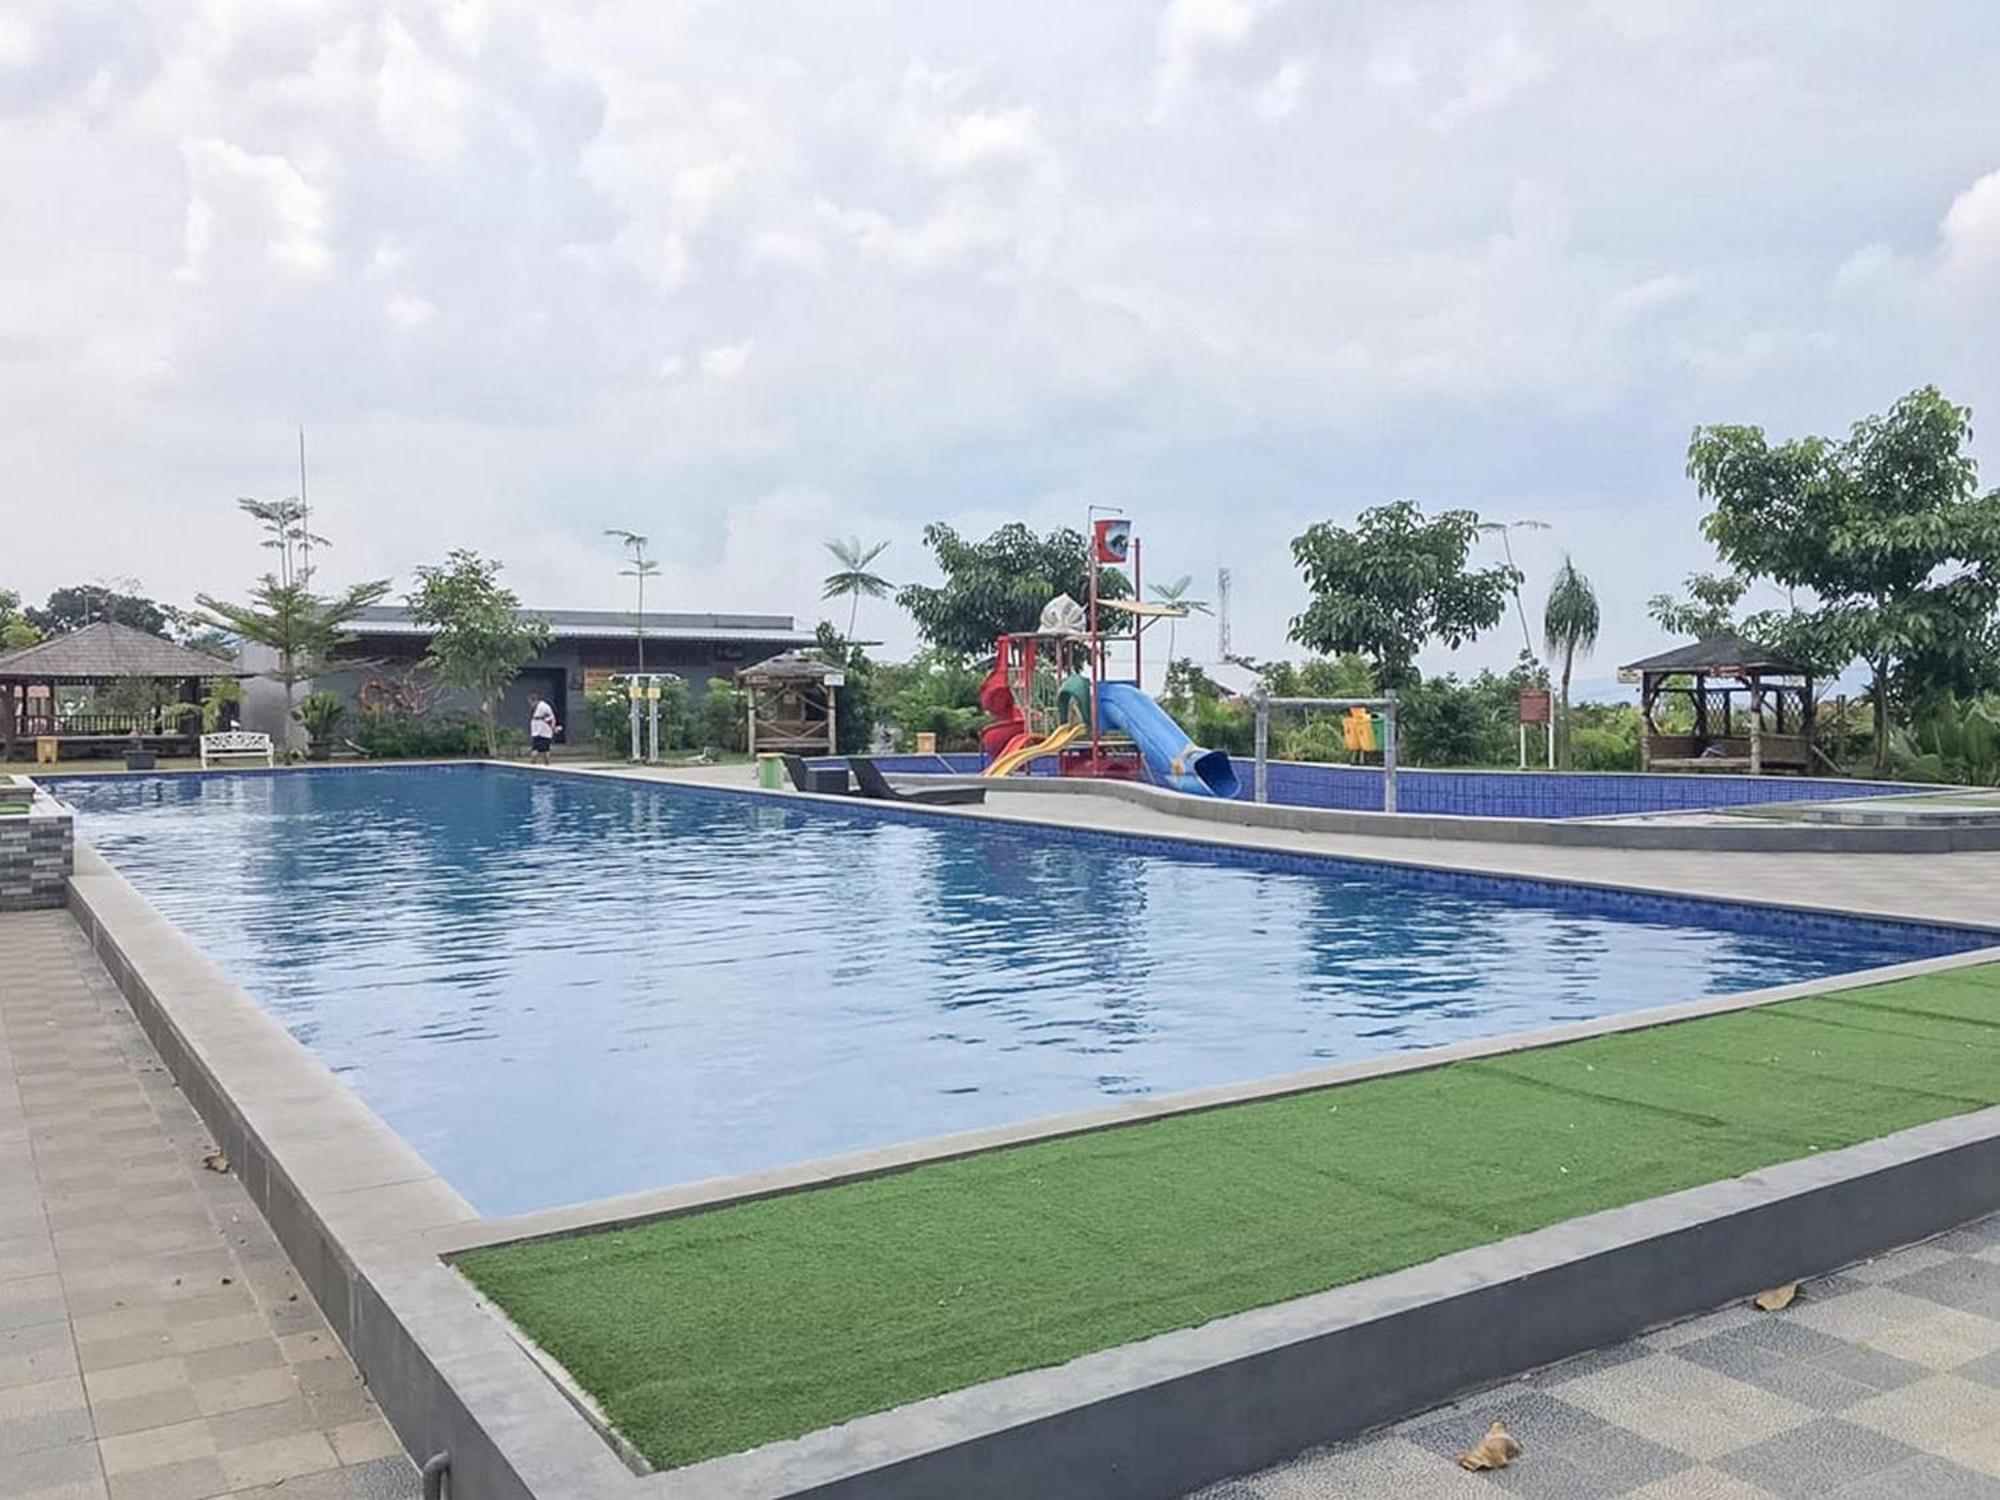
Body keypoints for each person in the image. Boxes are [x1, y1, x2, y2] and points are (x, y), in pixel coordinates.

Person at [528, 694, 560, 766]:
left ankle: (545, 765)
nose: (531, 705)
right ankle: (534, 764)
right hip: (537, 732)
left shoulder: (544, 706)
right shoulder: (536, 709)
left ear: (535, 701)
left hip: (544, 732)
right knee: (539, 750)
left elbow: (551, 717)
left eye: (531, 702)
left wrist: (553, 727)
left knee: (544, 750)